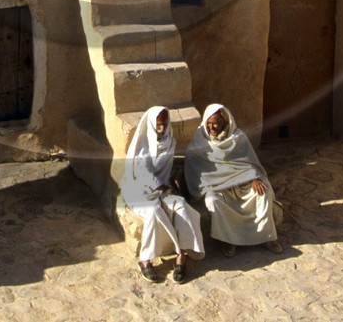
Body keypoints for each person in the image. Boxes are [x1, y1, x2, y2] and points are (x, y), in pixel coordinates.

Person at [185, 103, 284, 255]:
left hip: (243, 184)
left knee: (264, 191)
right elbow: (195, 167)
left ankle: (267, 237)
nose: (211, 127)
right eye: (209, 123)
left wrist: (254, 178)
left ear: (225, 122)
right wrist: (213, 183)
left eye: (215, 123)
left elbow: (250, 163)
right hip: (218, 187)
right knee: (212, 200)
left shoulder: (238, 138)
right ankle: (229, 241)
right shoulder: (200, 140)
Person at [121, 105, 204, 282]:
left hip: (162, 187)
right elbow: (142, 174)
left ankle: (182, 254)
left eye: (164, 123)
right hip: (137, 189)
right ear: (151, 123)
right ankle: (145, 259)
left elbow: (164, 170)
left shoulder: (168, 140)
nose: (161, 127)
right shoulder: (142, 144)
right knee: (153, 211)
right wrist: (164, 188)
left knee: (181, 205)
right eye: (158, 124)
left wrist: (170, 185)